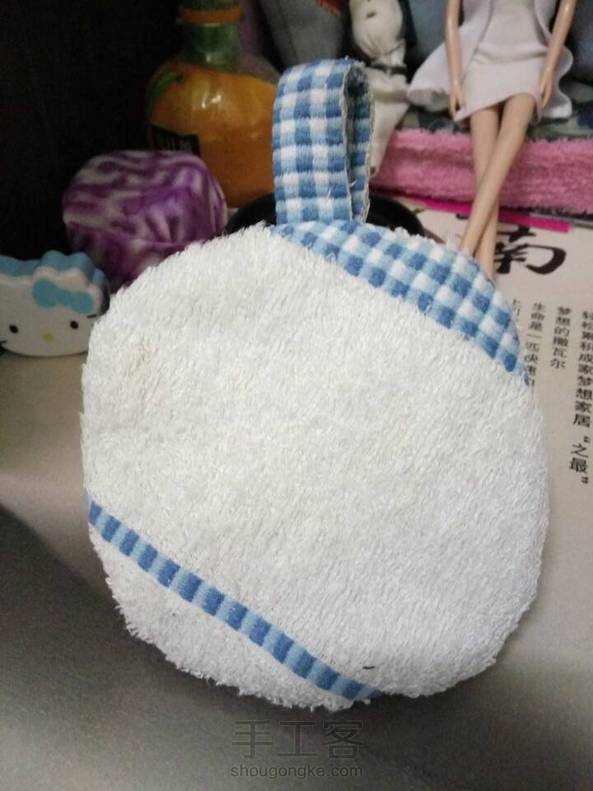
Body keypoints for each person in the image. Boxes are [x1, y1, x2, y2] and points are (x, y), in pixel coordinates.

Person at [408, 0, 577, 277]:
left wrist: (548, 69)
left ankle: (465, 251)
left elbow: (567, 9)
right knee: (484, 159)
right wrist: (455, 79)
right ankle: (484, 265)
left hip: (530, 60)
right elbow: (451, 20)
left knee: (509, 139)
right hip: (480, 58)